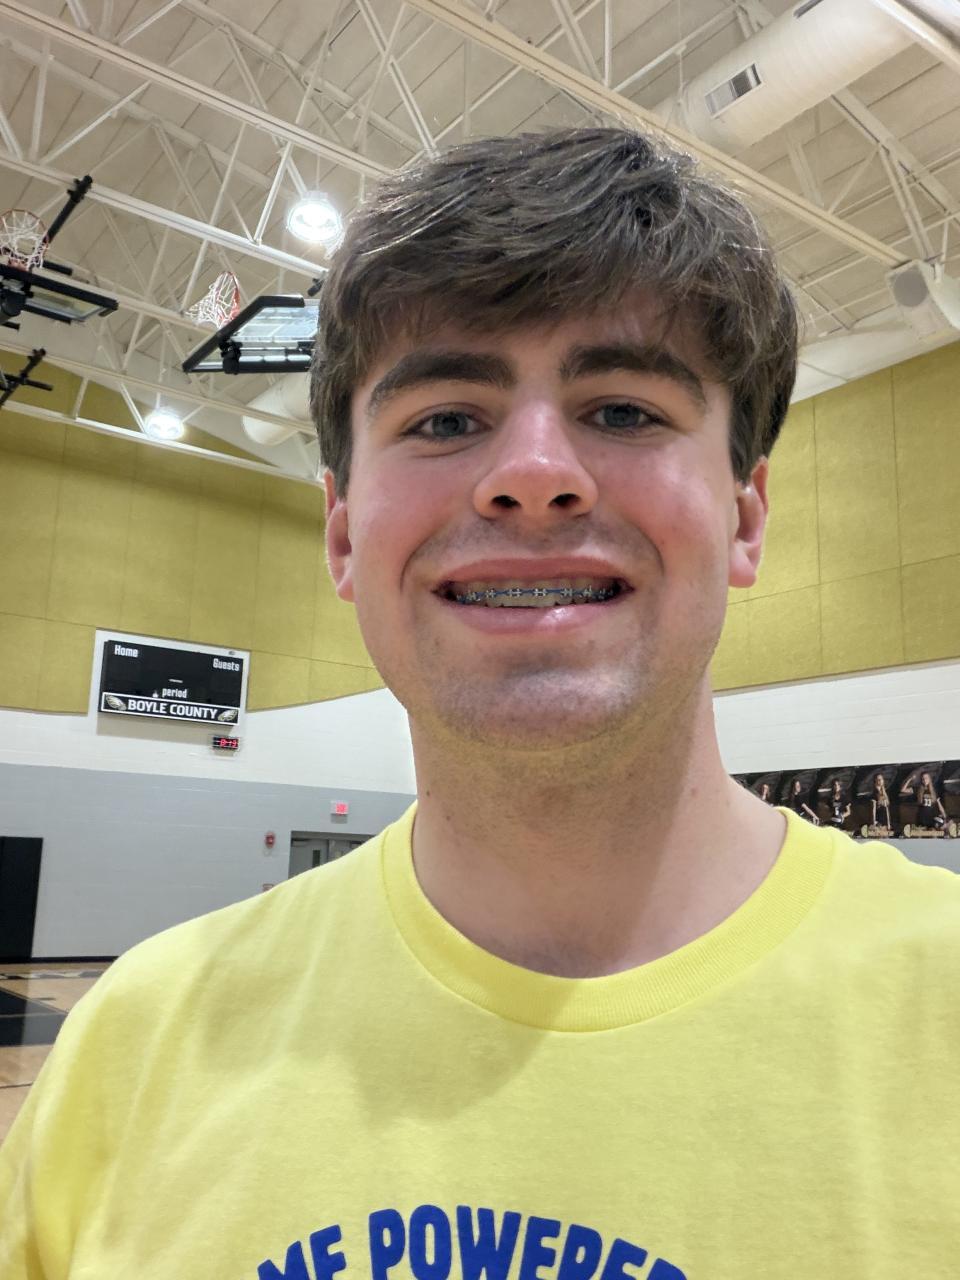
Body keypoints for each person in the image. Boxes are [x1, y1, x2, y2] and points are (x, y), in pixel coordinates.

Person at [2, 127, 959, 1279]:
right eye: (446, 419)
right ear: (342, 533)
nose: (534, 474)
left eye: (625, 410)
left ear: (745, 518)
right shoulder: (135, 1042)